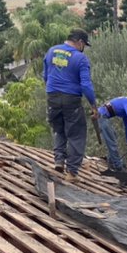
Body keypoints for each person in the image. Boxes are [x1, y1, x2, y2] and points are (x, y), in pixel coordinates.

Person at [43, 29, 98, 180]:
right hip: (71, 99)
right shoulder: (80, 58)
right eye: (84, 45)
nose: (84, 48)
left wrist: (53, 92)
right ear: (80, 42)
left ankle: (59, 160)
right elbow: (86, 85)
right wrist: (93, 105)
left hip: (52, 97)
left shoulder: (51, 51)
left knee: (59, 129)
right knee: (76, 134)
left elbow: (45, 76)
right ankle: (72, 172)